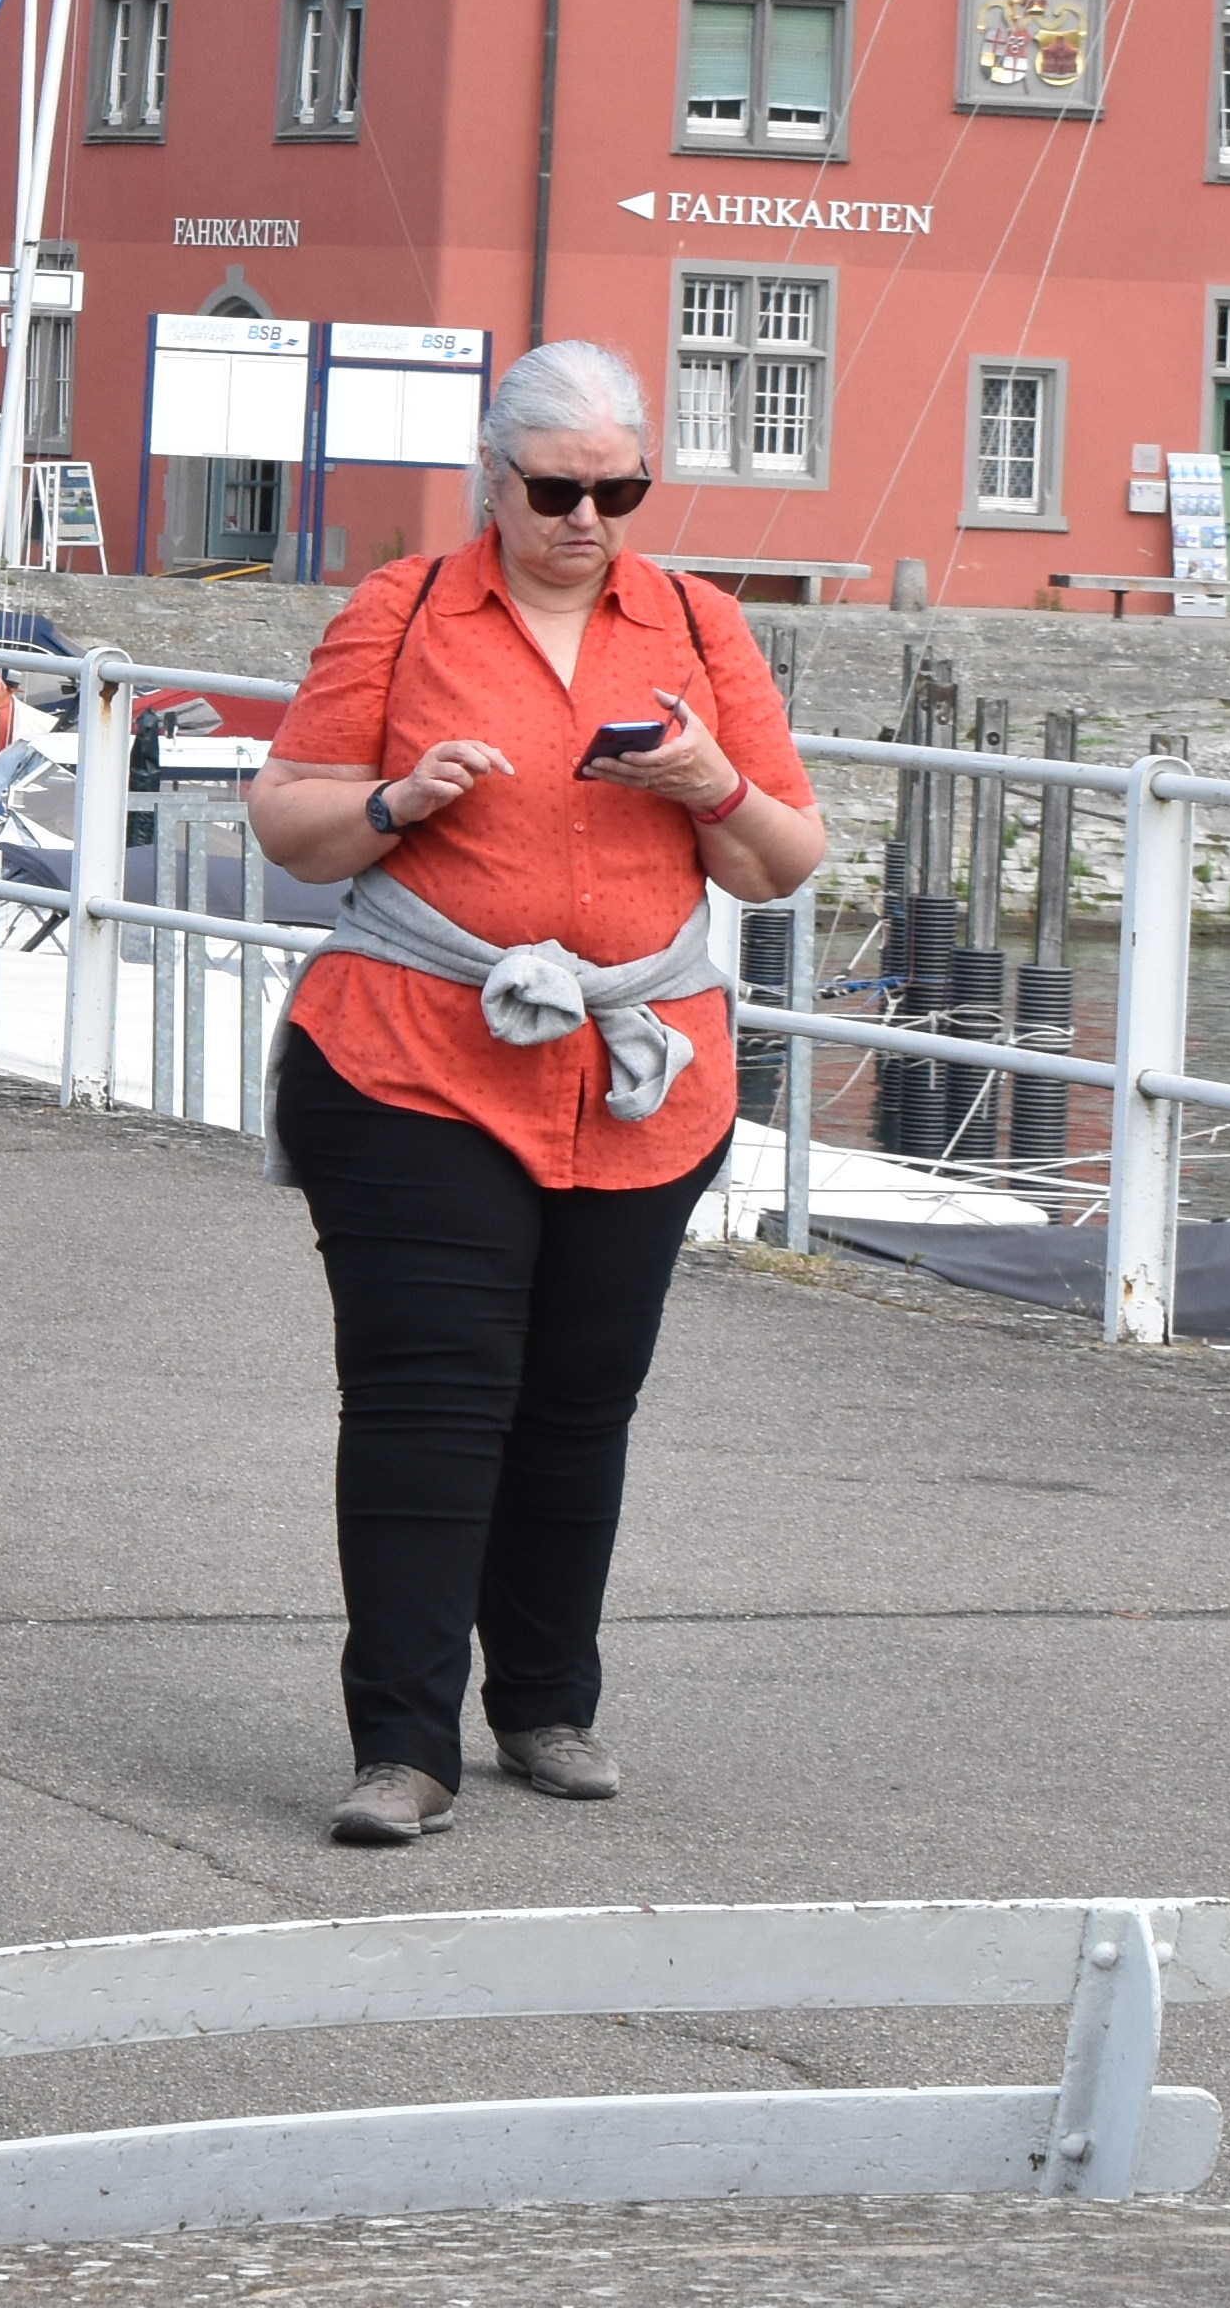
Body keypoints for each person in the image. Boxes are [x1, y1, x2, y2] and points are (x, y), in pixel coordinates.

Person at [245, 340, 831, 1849]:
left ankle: (548, 1707)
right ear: (494, 483)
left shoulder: (697, 625)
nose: (588, 518)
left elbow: (781, 860)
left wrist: (706, 782)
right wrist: (399, 800)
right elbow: (291, 828)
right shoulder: (405, 608)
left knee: (579, 1404)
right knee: (429, 1403)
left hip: (641, 1076)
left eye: (619, 488)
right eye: (558, 489)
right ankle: (402, 1749)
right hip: (412, 1058)